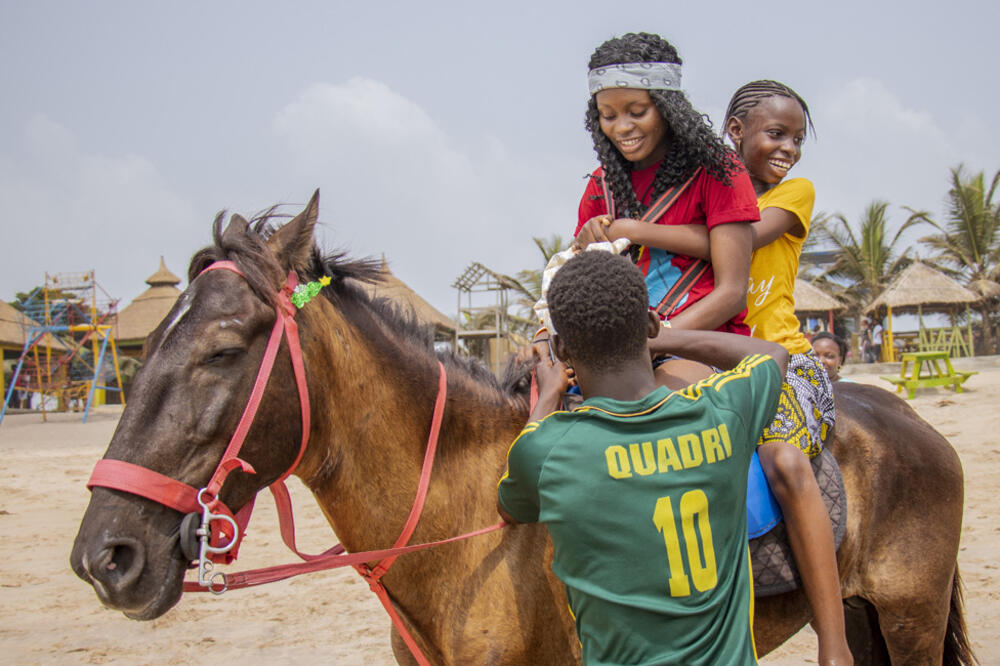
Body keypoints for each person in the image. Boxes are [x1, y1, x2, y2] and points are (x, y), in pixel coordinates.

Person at [498, 250, 788, 665]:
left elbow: (510, 505)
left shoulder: (547, 450)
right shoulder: (723, 412)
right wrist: (663, 335)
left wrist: (547, 396)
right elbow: (772, 355)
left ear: (561, 347)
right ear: (650, 325)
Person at [573, 32, 759, 386]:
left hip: (702, 344)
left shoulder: (719, 171)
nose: (622, 127)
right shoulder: (601, 184)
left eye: (637, 111)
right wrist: (582, 245)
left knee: (659, 411)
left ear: (667, 106)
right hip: (620, 351)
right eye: (607, 116)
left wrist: (652, 343)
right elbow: (579, 281)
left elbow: (732, 294)